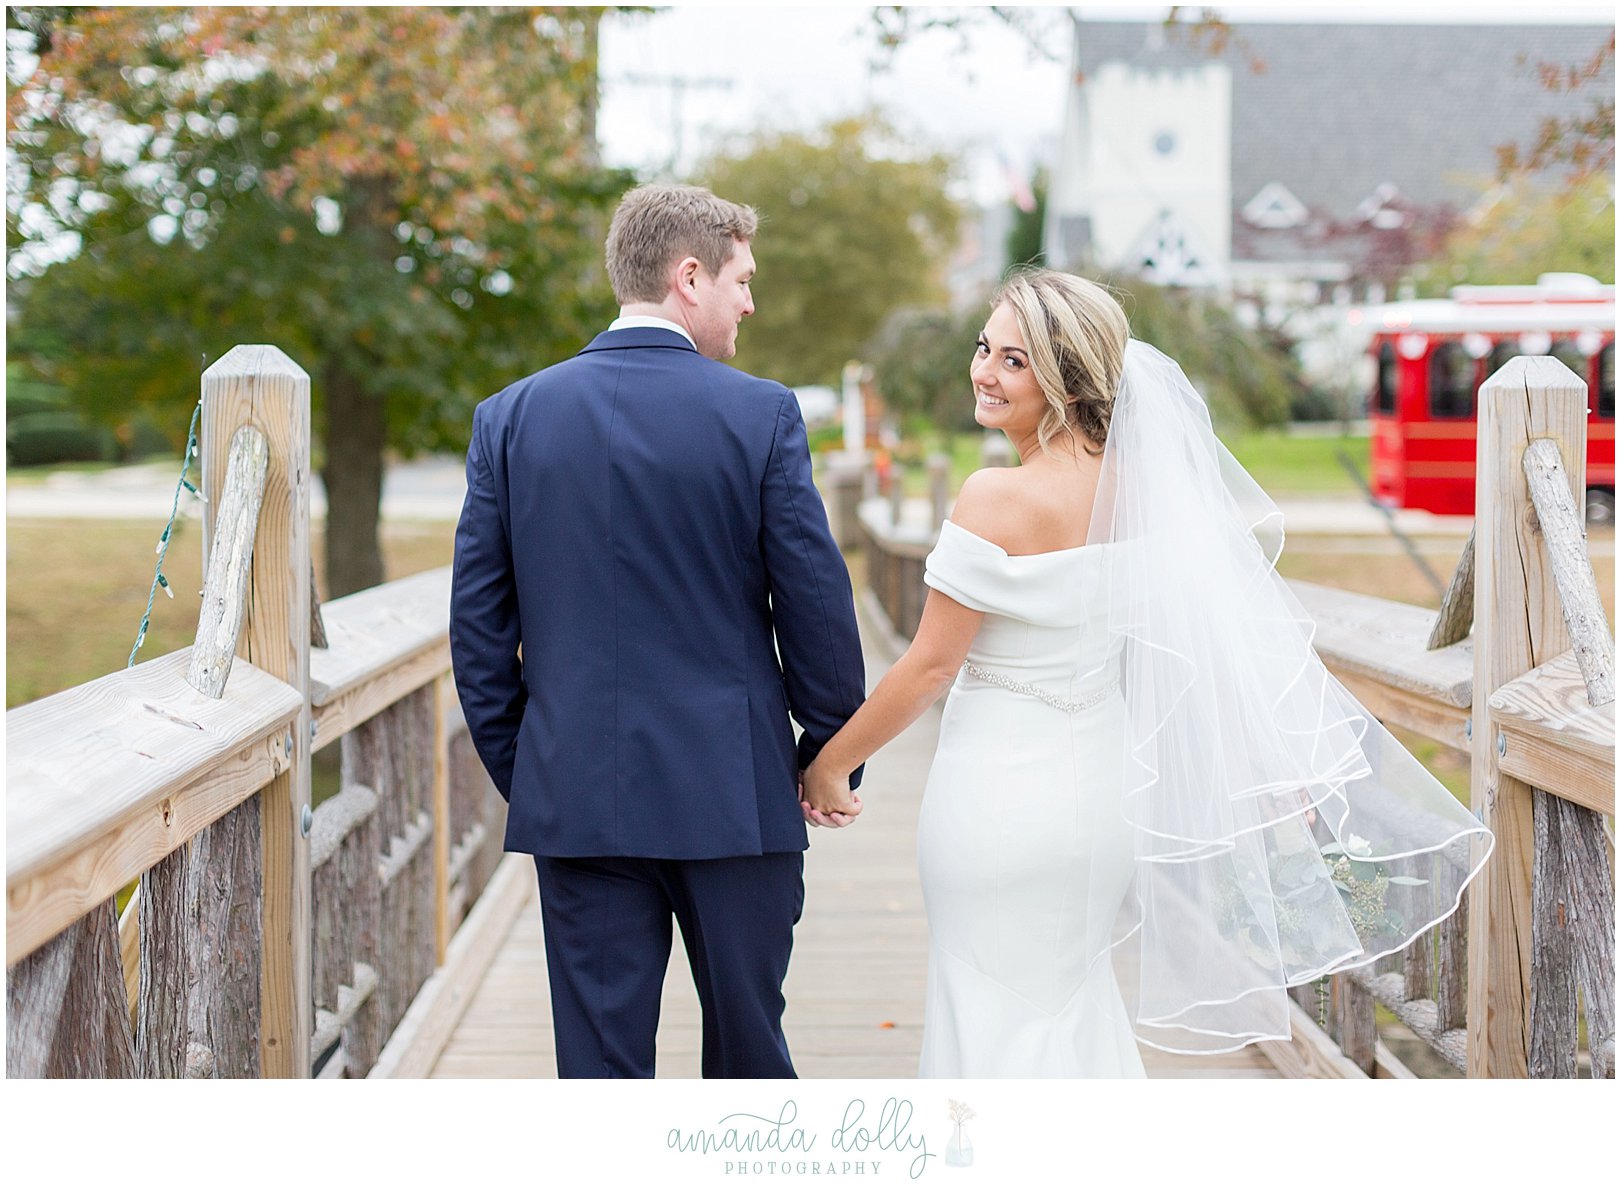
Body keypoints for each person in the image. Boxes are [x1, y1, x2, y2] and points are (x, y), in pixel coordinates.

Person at [801, 267, 1492, 1077]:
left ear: (1067, 375)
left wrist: (828, 762)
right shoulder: (1143, 491)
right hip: (1097, 800)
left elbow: (927, 667)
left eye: (1014, 360)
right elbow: (1191, 641)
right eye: (984, 348)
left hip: (995, 797)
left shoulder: (994, 498)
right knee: (1071, 1000)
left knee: (983, 1003)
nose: (984, 371)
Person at [450, 183, 866, 1079]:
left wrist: (532, 772)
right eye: (742, 280)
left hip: (579, 804)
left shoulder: (510, 418)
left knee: (600, 1076)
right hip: (737, 797)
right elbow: (817, 612)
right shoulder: (760, 415)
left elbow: (479, 634)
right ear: (689, 275)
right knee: (751, 1063)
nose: (750, 301)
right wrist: (828, 757)